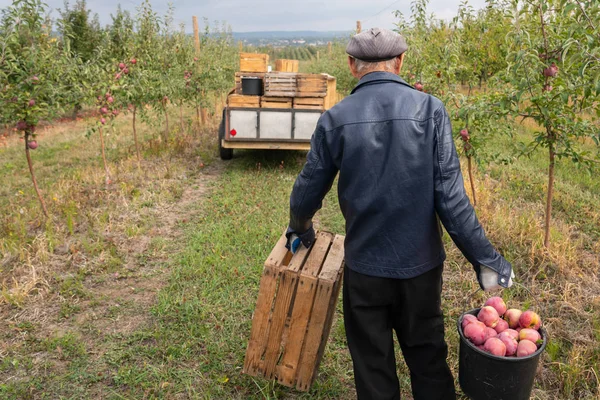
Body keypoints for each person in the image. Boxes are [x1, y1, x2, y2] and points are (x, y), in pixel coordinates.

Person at [285, 28, 514, 400]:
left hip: (365, 269)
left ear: (351, 66)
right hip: (420, 269)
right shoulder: (431, 110)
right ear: (401, 62)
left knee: (373, 367)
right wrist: (487, 261)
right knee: (427, 357)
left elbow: (307, 189)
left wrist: (300, 227)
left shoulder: (335, 118)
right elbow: (451, 200)